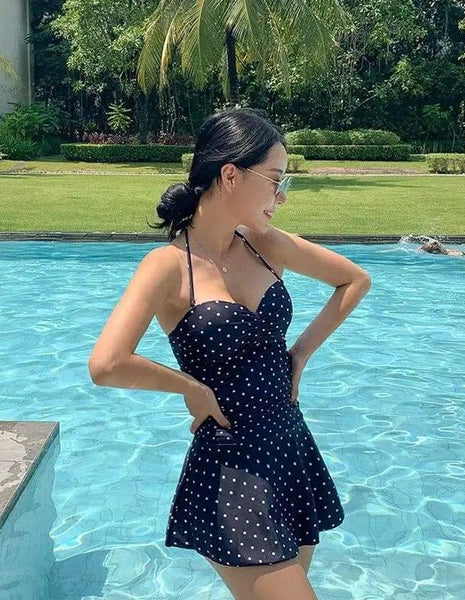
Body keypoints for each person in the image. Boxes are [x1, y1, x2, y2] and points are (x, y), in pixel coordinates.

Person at [88, 107, 372, 600]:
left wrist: (300, 354)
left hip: (288, 446)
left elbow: (354, 281)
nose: (282, 195)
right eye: (275, 180)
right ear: (230, 175)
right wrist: (191, 388)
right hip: (231, 465)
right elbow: (106, 364)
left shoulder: (265, 245)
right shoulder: (167, 266)